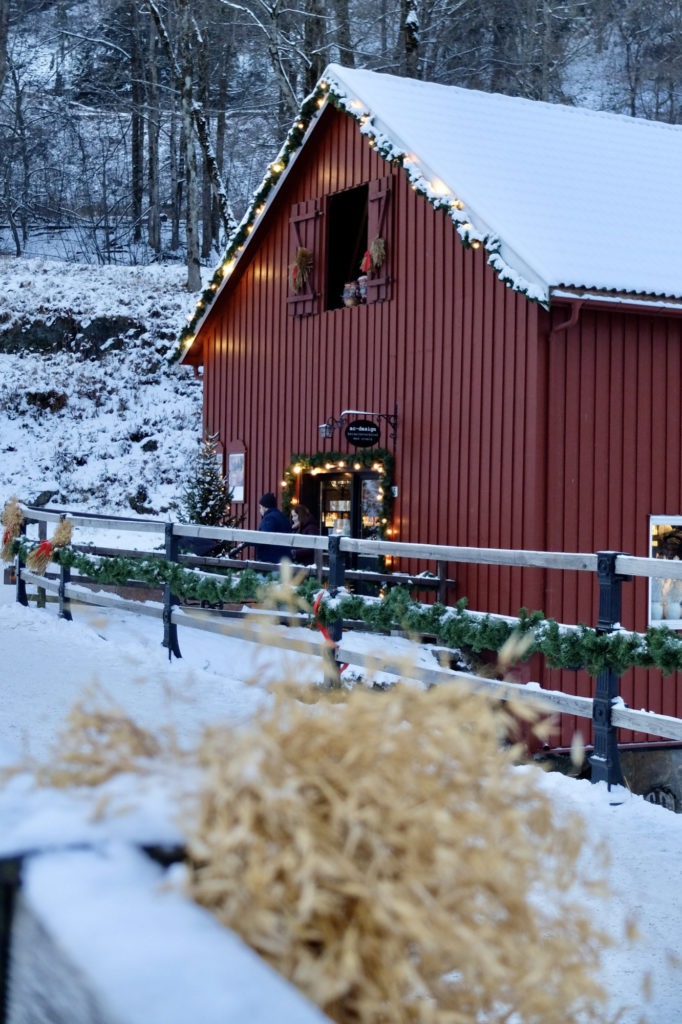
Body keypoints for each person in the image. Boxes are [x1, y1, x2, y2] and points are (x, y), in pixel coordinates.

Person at [229, 492, 291, 564]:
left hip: (271, 559)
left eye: (260, 507)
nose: (260, 510)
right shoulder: (282, 517)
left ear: (265, 507)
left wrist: (248, 541)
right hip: (284, 558)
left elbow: (263, 537)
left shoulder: (269, 518)